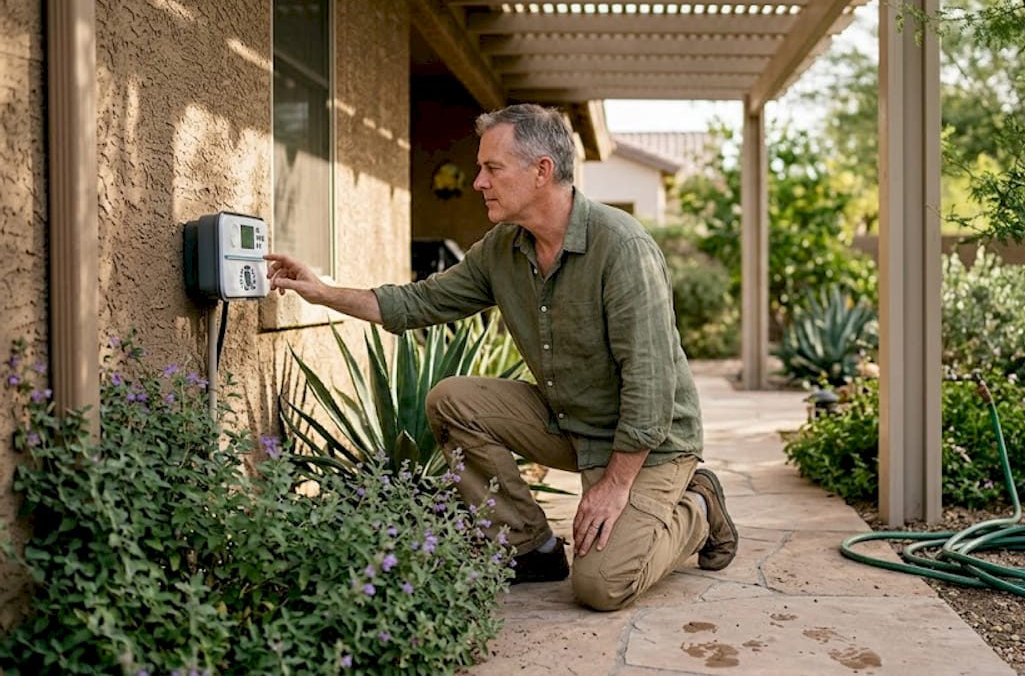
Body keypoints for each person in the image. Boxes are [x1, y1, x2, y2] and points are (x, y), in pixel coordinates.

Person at [265, 103, 737, 612]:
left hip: (652, 442)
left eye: (492, 168)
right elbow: (417, 302)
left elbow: (650, 381)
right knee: (453, 400)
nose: (477, 182)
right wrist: (323, 291)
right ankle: (529, 545)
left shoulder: (621, 247)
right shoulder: (502, 250)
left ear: (542, 171)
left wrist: (615, 486)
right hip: (573, 422)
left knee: (601, 586)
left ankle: (698, 507)